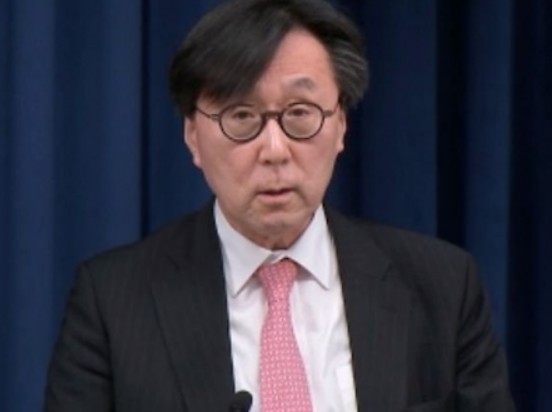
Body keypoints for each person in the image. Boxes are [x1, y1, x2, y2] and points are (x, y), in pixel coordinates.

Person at [44, 0, 516, 411]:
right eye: (241, 116)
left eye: (300, 114)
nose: (274, 149)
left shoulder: (443, 287)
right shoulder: (112, 303)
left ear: (340, 125)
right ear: (192, 135)